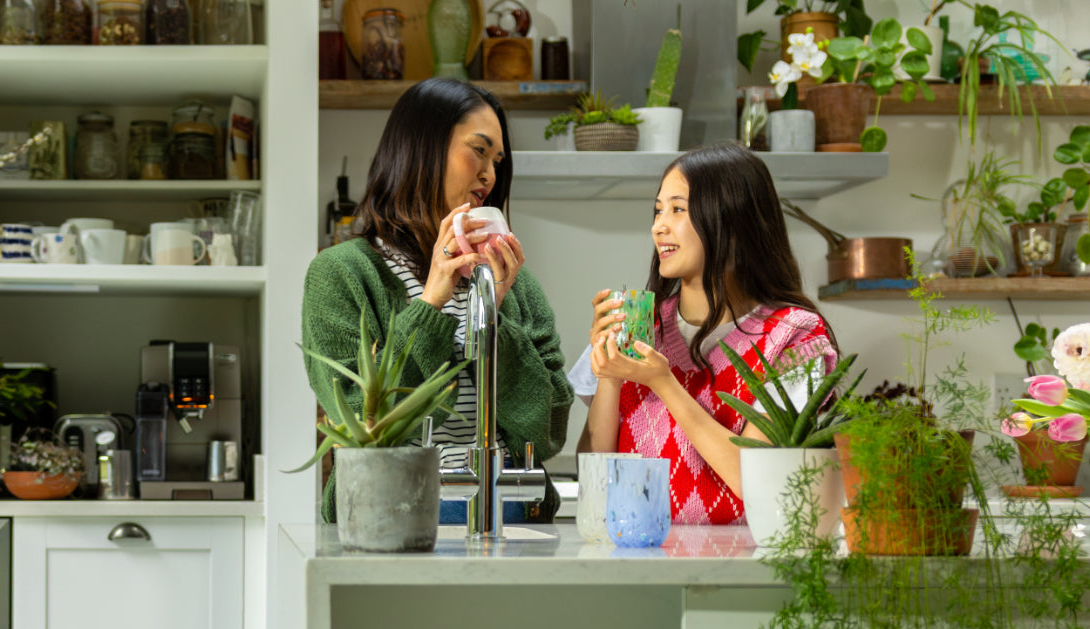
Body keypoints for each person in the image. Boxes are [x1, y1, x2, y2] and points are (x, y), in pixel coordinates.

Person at [301, 77, 573, 523]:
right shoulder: (342, 274)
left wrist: (494, 318)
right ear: (422, 149)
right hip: (391, 516)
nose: (489, 173)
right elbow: (360, 418)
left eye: (497, 160)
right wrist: (431, 302)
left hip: (510, 512)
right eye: (478, 150)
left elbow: (547, 433)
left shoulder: (514, 285)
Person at [570, 142, 838, 525]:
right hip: (637, 557)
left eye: (678, 209)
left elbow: (758, 482)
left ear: (733, 220)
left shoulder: (796, 338)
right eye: (658, 210)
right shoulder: (638, 325)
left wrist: (664, 383)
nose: (658, 225)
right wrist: (609, 374)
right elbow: (595, 482)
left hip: (741, 567)